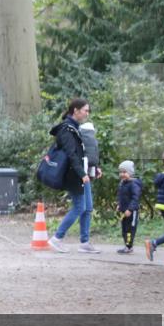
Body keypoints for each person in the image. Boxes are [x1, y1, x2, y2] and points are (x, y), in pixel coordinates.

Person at [47, 98, 100, 253]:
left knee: (88, 208)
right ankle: (57, 238)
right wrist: (82, 174)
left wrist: (93, 168)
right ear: (76, 111)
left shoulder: (76, 127)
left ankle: (84, 243)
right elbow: (71, 154)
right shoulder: (66, 129)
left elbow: (83, 153)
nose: (87, 113)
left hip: (82, 173)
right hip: (74, 175)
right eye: (85, 110)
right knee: (79, 207)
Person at [115, 160, 142, 254]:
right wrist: (119, 204)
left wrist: (130, 209)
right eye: (120, 172)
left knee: (130, 230)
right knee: (124, 230)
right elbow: (120, 195)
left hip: (132, 212)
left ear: (130, 173)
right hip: (123, 211)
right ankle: (127, 246)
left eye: (124, 172)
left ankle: (129, 247)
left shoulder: (134, 184)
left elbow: (135, 198)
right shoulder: (122, 183)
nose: (122, 174)